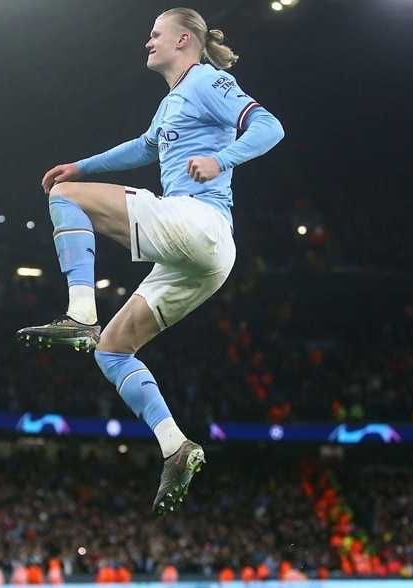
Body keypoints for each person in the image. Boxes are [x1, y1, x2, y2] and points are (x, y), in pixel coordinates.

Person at [17, 7, 284, 515]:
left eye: (156, 33)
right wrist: (82, 165)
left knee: (66, 199)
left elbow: (270, 127)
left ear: (184, 40)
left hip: (199, 221)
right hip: (202, 258)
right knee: (112, 351)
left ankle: (80, 314)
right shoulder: (172, 101)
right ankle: (176, 447)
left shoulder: (207, 80)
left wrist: (220, 160)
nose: (148, 41)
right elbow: (144, 148)